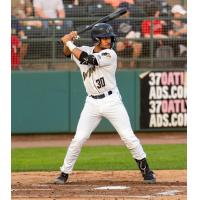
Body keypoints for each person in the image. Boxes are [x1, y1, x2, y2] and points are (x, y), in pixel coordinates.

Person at [54, 23, 156, 184]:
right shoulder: (84, 49)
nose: (108, 40)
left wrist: (68, 42)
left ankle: (147, 171)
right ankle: (64, 173)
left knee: (128, 137)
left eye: (109, 37)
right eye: (104, 38)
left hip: (111, 101)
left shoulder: (110, 54)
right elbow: (68, 53)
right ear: (96, 39)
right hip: (91, 102)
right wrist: (68, 41)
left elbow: (89, 59)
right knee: (79, 138)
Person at [113, 2, 143, 68]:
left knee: (138, 45)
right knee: (118, 45)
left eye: (127, 10)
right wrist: (120, 40)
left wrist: (132, 39)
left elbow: (137, 32)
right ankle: (119, 64)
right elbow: (112, 35)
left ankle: (132, 64)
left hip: (130, 41)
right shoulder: (115, 21)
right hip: (119, 41)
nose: (128, 11)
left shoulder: (132, 20)